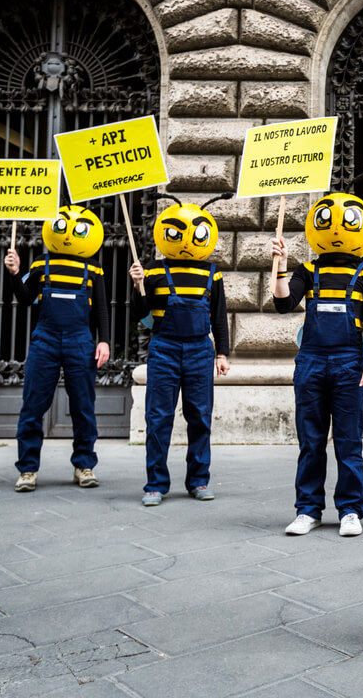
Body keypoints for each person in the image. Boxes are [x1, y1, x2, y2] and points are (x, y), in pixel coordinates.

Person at [272, 192, 363, 538]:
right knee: (311, 440)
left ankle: (350, 510)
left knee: (349, 441)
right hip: (312, 362)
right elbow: (283, 304)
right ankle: (308, 510)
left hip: (351, 363)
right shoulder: (306, 270)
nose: (336, 229)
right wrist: (280, 265)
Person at [129, 193, 231, 506]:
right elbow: (141, 314)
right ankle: (155, 484)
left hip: (201, 349)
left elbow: (219, 316)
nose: (185, 241)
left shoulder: (212, 273)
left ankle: (199, 481)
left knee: (200, 416)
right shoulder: (153, 271)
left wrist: (222, 354)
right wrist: (137, 286)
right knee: (158, 417)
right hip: (165, 348)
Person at [5, 205, 110, 492]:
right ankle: (27, 470)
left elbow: (101, 309)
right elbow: (26, 299)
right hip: (46, 340)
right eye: (62, 228)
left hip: (81, 341)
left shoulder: (94, 268)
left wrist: (104, 340)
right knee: (33, 405)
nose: (67, 236)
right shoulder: (41, 264)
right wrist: (15, 273)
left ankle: (84, 465)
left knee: (83, 407)